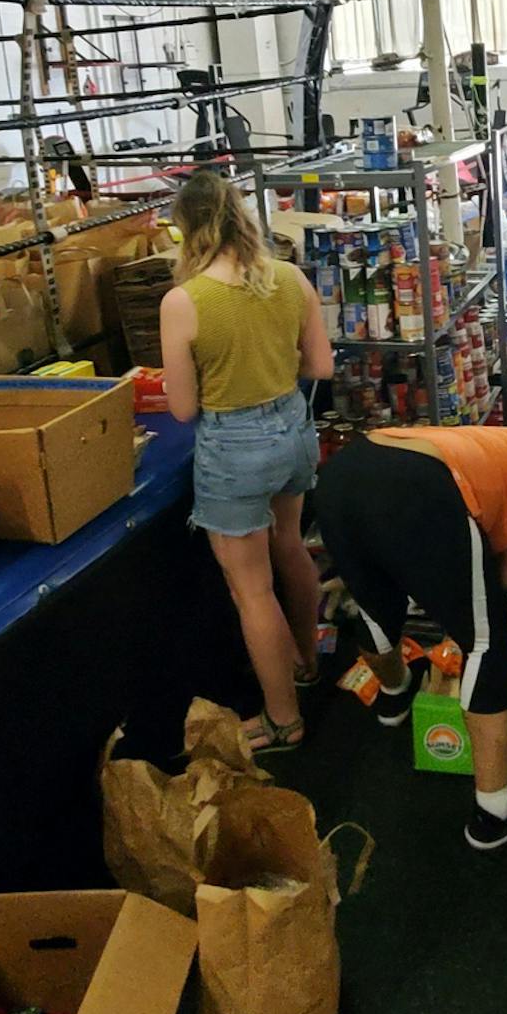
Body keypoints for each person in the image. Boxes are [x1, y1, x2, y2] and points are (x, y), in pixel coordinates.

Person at [314, 421, 507, 847]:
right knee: (484, 641)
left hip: (343, 475)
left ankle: (396, 693)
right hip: (418, 493)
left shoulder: (500, 444)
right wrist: (490, 619)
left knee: (376, 604)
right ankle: (495, 813)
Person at [159, 170, 333, 755]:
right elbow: (321, 367)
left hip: (235, 448)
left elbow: (182, 408)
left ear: (188, 230)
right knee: (291, 544)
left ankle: (284, 719)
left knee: (252, 591)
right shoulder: (288, 277)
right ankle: (308, 660)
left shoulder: (183, 301)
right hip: (293, 431)